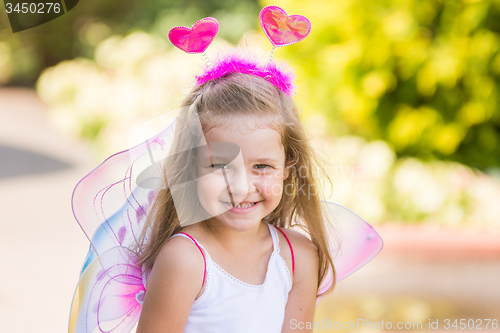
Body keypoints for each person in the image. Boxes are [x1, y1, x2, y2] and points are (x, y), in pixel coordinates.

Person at [133, 55, 336, 332]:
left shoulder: (298, 255)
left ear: (288, 167)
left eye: (262, 166)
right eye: (220, 166)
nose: (241, 187)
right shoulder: (184, 260)